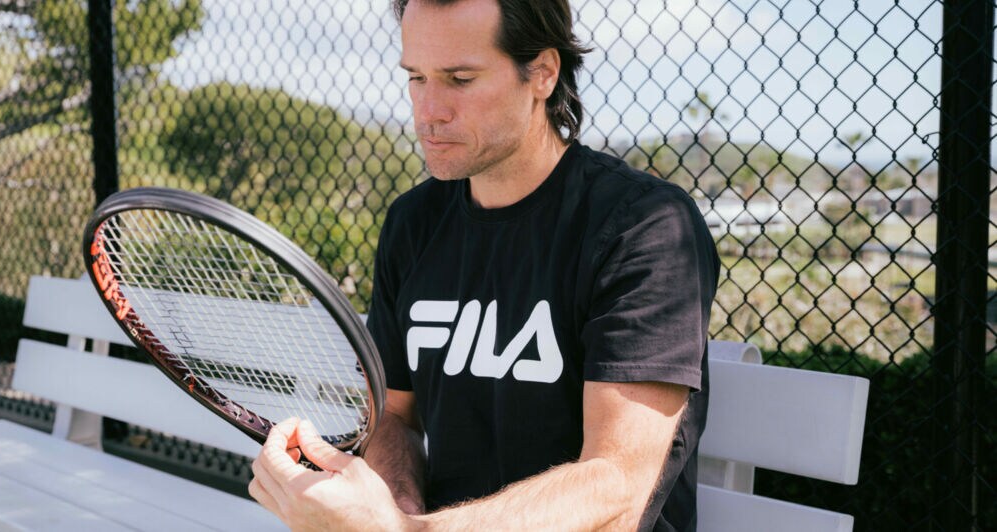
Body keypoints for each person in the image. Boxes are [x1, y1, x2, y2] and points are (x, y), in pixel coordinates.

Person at [248, 0, 719, 529]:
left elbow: (614, 489)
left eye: (460, 79)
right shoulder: (413, 222)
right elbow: (393, 417)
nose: (429, 110)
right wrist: (394, 508)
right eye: (417, 77)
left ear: (541, 73)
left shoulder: (643, 227)